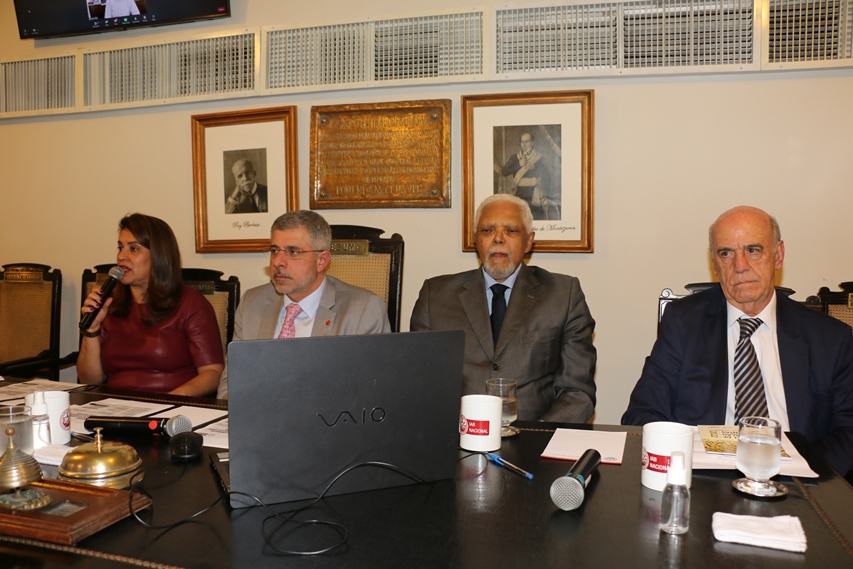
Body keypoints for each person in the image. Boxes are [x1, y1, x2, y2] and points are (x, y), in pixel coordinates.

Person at [622, 206, 853, 476]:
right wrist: (682, 472)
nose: (740, 266)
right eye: (726, 253)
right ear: (714, 263)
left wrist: (802, 473)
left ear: (778, 255)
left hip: (797, 483)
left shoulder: (830, 338)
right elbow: (642, 414)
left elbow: (848, 431)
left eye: (753, 250)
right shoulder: (683, 324)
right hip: (702, 481)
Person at [410, 194, 596, 423]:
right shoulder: (435, 296)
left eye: (511, 230)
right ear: (476, 240)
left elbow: (577, 392)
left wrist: (539, 437)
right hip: (457, 434)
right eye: (487, 230)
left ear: (529, 241)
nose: (498, 238)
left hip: (535, 434)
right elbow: (418, 384)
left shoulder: (563, 295)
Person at [217, 210, 391, 398]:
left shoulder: (363, 310)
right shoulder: (251, 302)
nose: (278, 262)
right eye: (275, 250)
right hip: (257, 413)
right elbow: (231, 384)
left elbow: (373, 392)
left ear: (321, 261)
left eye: (293, 252)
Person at [78, 214, 224, 397]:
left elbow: (213, 373)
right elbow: (89, 381)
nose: (121, 256)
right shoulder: (109, 304)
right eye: (120, 248)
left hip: (172, 405)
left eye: (133, 249)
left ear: (158, 256)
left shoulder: (190, 303)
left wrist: (169, 401)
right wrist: (92, 330)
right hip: (117, 406)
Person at [499, 132, 552, 220]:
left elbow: (547, 178)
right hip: (518, 194)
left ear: (532, 142)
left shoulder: (539, 158)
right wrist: (519, 165)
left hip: (534, 195)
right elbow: (503, 172)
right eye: (522, 142)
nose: (524, 145)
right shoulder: (515, 158)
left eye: (527, 142)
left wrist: (545, 196)